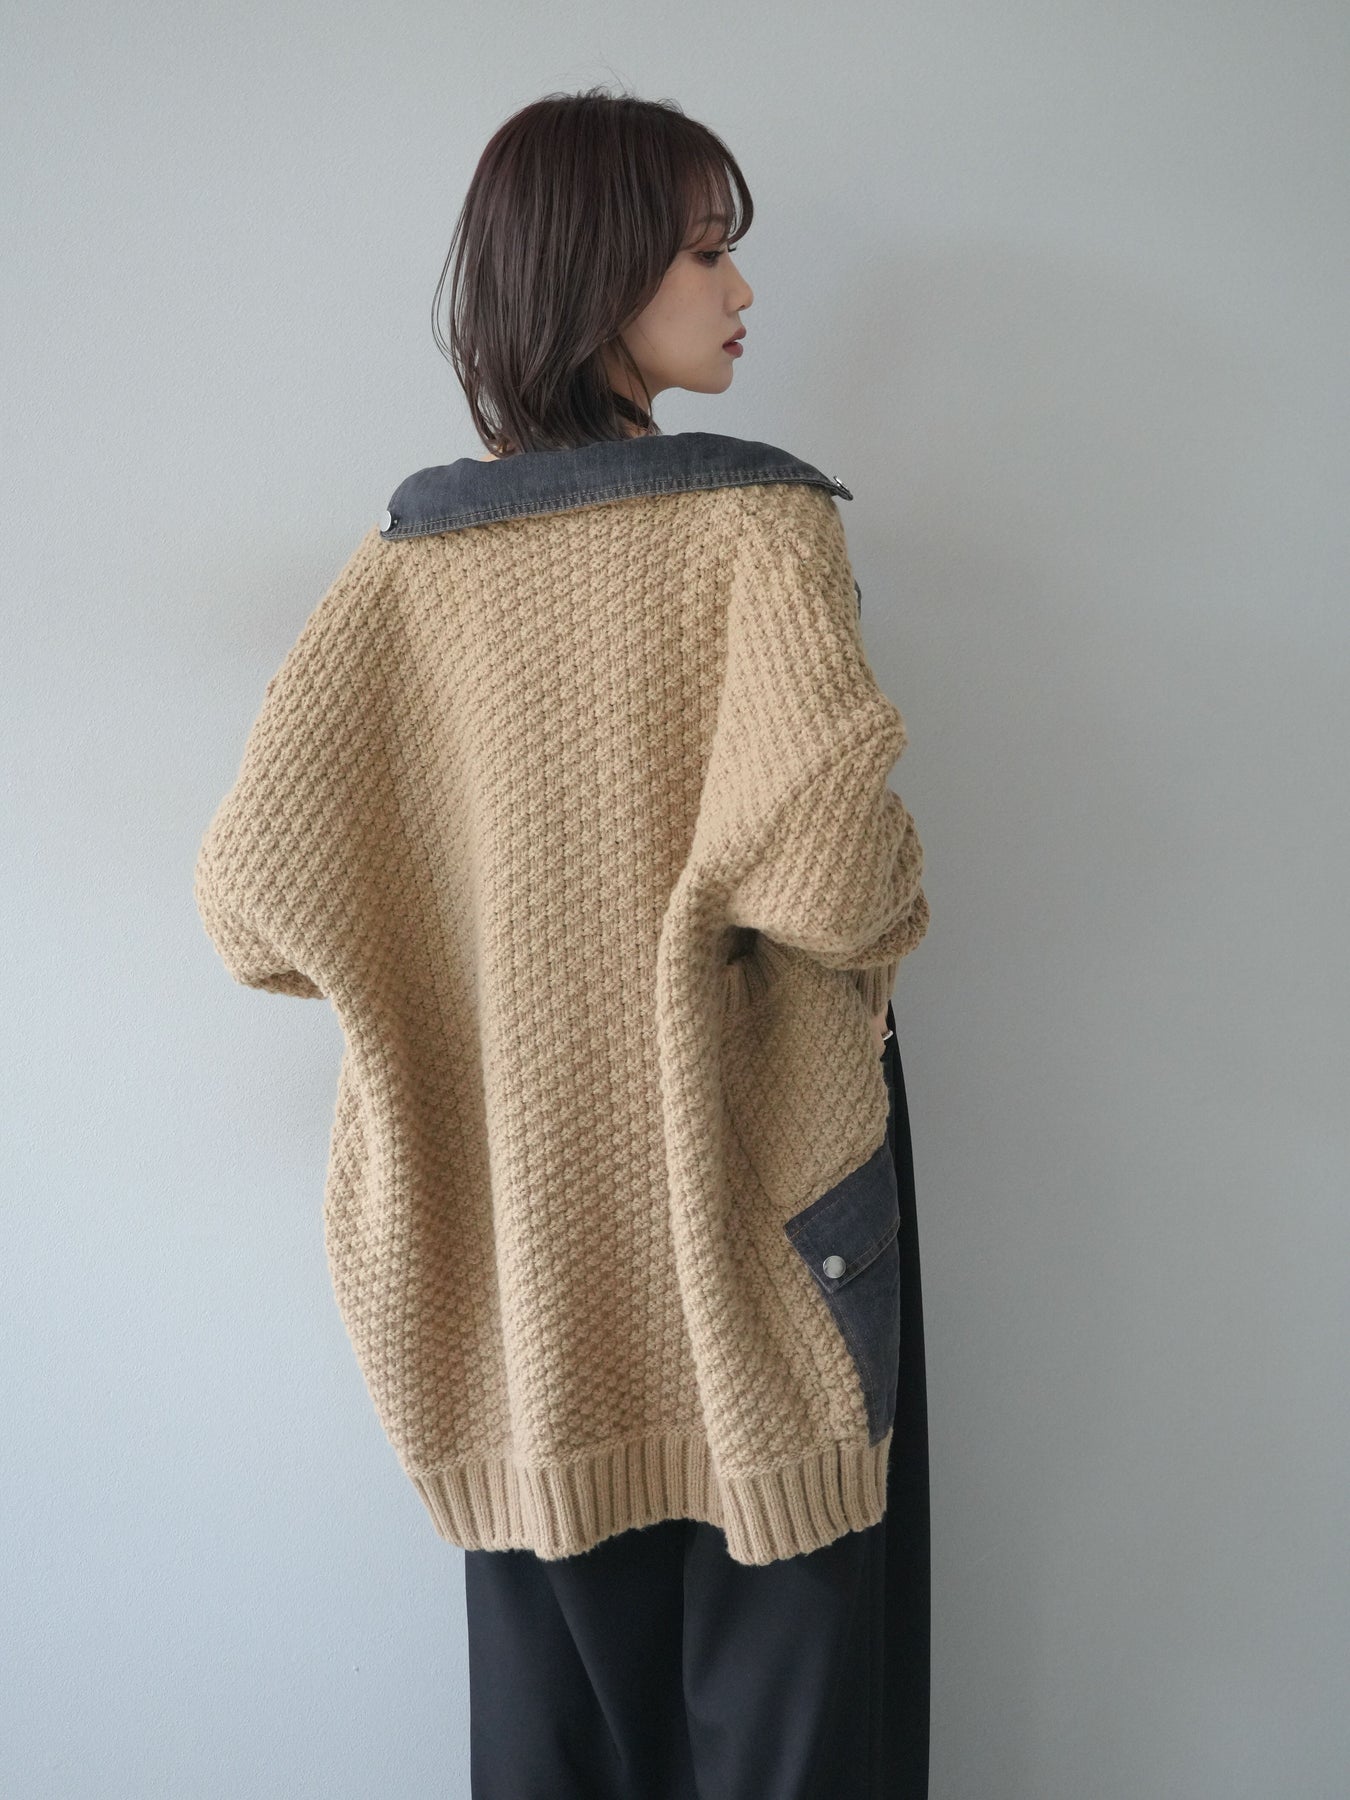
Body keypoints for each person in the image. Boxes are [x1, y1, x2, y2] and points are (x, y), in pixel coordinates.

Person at [194, 84, 931, 1800]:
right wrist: (889, 890)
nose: (741, 292)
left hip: (521, 1259)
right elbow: (839, 881)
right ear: (600, 272)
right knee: (799, 1719)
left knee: (559, 1744)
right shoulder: (759, 526)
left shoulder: (406, 569)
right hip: (763, 1208)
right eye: (704, 252)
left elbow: (250, 898)